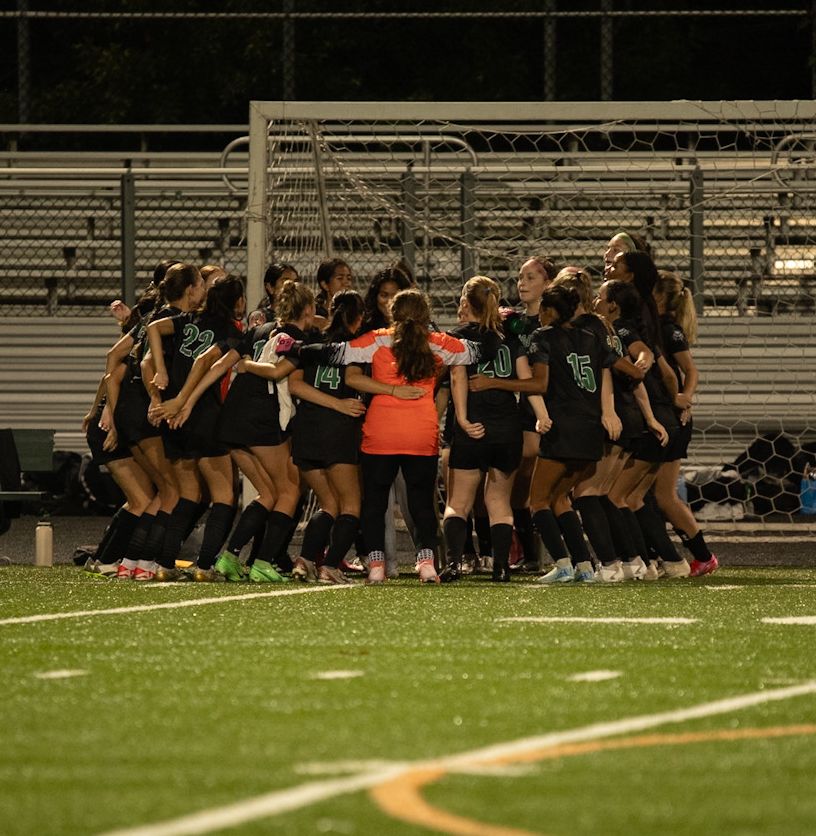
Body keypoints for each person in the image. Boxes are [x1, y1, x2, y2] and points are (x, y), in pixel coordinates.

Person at [279, 288, 498, 584]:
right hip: (421, 432)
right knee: (422, 502)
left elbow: (335, 352)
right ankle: (427, 564)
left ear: (393, 313)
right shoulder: (440, 343)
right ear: (426, 315)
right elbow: (485, 348)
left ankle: (378, 566)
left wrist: (293, 348)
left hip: (381, 431)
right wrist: (498, 320)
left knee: (374, 503)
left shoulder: (379, 339)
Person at [288, 289, 423, 583]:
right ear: (359, 317)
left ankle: (304, 561)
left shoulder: (311, 341)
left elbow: (294, 385)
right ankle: (331, 565)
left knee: (329, 504)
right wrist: (338, 403)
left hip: (307, 430)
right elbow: (356, 380)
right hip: (339, 430)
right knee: (352, 505)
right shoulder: (360, 346)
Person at [441, 276, 544, 582]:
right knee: (499, 501)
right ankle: (500, 566)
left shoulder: (458, 337)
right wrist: (541, 415)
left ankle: (455, 564)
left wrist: (461, 419)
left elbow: (458, 378)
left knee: (458, 502)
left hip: (473, 425)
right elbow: (527, 383)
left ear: (464, 303)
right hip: (507, 428)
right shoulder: (512, 340)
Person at [145, 274, 246, 581]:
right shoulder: (231, 330)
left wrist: (163, 375)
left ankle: (163, 565)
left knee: (187, 495)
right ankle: (204, 566)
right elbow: (207, 362)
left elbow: (152, 329)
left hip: (175, 419)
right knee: (223, 496)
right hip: (201, 415)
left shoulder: (186, 318)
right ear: (237, 301)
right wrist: (184, 402)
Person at [526, 285, 621, 583]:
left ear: (550, 311)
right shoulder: (592, 336)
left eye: (543, 309)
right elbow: (614, 367)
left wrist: (495, 384)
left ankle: (562, 563)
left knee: (538, 501)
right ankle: (583, 565)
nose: (540, 315)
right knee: (560, 499)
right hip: (590, 431)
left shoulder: (544, 337)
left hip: (563, 430)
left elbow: (539, 384)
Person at [653, 270, 718, 577]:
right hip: (662, 415)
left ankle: (703, 556)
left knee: (664, 495)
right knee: (653, 495)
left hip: (672, 416)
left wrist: (684, 397)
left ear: (660, 297)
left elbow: (690, 370)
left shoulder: (668, 329)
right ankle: (661, 554)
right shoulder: (655, 326)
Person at [502, 256, 558, 572]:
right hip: (524, 409)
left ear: (548, 283)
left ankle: (565, 553)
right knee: (524, 478)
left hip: (556, 407)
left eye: (531, 277)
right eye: (520, 277)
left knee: (550, 485)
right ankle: (532, 554)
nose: (522, 283)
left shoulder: (554, 325)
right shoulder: (514, 323)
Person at [249, 262, 299, 327]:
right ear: (270, 287)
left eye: (295, 282)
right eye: (285, 281)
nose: (292, 286)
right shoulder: (261, 317)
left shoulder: (302, 316)